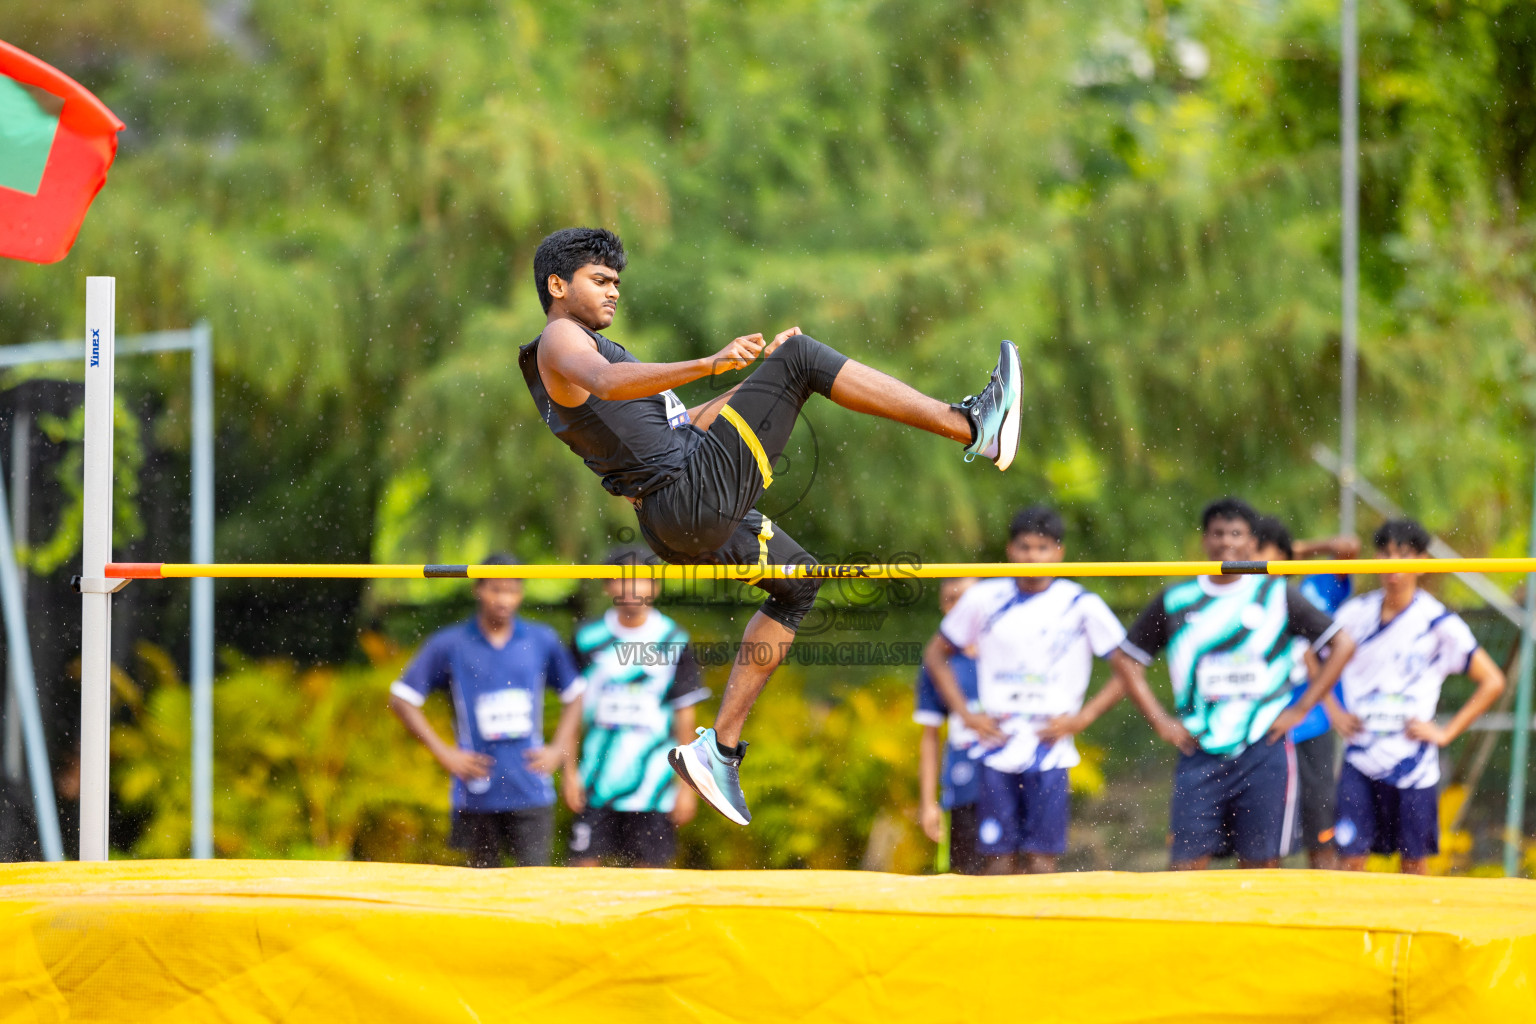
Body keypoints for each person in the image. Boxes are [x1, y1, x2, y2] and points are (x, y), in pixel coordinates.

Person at [520, 227, 1024, 826]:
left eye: (617, 284)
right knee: (805, 357)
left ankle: (720, 749)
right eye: (599, 281)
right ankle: (973, 427)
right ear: (558, 285)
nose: (613, 294)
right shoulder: (559, 340)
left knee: (800, 583)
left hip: (680, 512)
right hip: (686, 498)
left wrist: (760, 380)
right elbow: (606, 382)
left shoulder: (598, 357)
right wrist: (717, 362)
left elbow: (696, 423)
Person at [1118, 498, 1357, 870]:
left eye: (1236, 534)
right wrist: (1160, 721)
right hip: (1199, 750)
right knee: (1185, 870)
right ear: (1205, 540)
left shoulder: (1277, 595)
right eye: (1218, 533)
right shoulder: (1178, 600)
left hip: (1263, 750)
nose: (1226, 542)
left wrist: (1300, 708)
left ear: (1251, 543)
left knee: (1260, 870)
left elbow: (1342, 645)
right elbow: (1127, 658)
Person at [921, 507, 1139, 874]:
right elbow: (935, 654)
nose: (1032, 556)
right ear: (1010, 550)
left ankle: (1042, 929)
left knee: (1042, 860)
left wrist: (1082, 718)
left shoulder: (1080, 604)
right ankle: (998, 930)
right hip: (996, 744)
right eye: (1024, 547)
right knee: (997, 860)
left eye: (1042, 547)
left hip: (1050, 746)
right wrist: (965, 713)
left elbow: (1128, 668)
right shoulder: (984, 597)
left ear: (1059, 552)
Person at [1329, 518, 1505, 874]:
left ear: (1422, 561)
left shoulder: (1438, 623)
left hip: (1414, 766)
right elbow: (1311, 656)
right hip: (1361, 759)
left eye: (1404, 555)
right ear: (1375, 559)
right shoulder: (1354, 615)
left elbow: (1492, 681)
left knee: (1413, 864)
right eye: (1386, 554)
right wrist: (1333, 710)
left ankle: (1407, 932)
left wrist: (1446, 732)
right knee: (1350, 861)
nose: (1394, 565)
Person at [388, 553, 580, 868]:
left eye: (512, 590)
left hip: (530, 790)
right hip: (476, 792)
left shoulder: (540, 640)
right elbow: (402, 698)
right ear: (478, 589)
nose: (504, 599)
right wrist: (444, 753)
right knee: (478, 895)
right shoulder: (450, 644)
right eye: (495, 589)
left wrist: (559, 749)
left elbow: (575, 694)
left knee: (534, 890)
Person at [557, 547, 710, 868]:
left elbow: (685, 718)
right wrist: (569, 772)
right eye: (623, 580)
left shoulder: (673, 640)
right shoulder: (587, 638)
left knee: (650, 885)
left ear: (655, 586)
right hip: (596, 783)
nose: (632, 588)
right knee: (579, 881)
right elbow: (571, 710)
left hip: (654, 786)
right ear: (607, 586)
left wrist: (687, 787)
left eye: (642, 579)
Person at [1253, 515, 1359, 868]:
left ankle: (1325, 913)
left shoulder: (1316, 587)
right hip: (1262, 731)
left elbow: (1349, 548)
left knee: (1320, 831)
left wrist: (1295, 548)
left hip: (1310, 726)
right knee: (1264, 838)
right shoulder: (1245, 598)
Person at [914, 577, 982, 874]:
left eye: (965, 599)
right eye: (950, 599)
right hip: (963, 787)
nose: (958, 608)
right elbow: (930, 736)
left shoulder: (1010, 652)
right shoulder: (939, 662)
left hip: (1012, 781)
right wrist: (928, 802)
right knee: (963, 879)